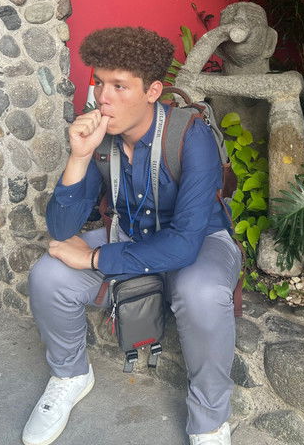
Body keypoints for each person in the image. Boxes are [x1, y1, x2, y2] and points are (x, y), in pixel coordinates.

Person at [22, 26, 242, 445]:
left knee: (200, 292)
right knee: (48, 275)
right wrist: (79, 156)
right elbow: (62, 229)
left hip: (199, 241)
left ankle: (209, 420)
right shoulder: (102, 140)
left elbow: (184, 243)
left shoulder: (190, 135)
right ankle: (70, 376)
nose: (103, 98)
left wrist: (96, 259)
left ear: (152, 91)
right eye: (99, 82)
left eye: (120, 86)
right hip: (129, 235)